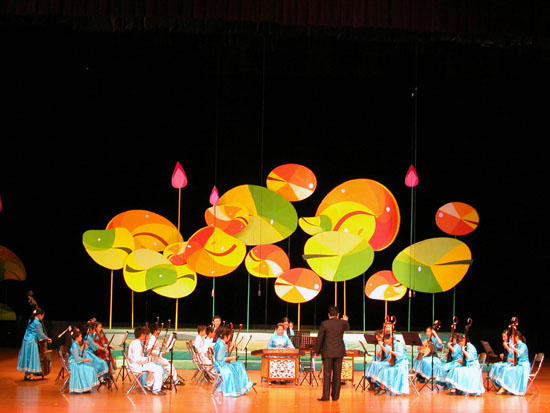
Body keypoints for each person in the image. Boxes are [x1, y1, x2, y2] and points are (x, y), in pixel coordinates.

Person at [315, 305, 350, 402]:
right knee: (337, 375)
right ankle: (335, 396)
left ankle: (326, 396)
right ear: (338, 315)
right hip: (339, 352)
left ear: (328, 315)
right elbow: (348, 327)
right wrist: (345, 321)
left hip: (328, 352)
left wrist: (317, 351)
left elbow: (320, 338)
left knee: (327, 374)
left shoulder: (324, 324)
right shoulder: (342, 323)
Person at [212, 326, 254, 397]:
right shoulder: (221, 345)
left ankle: (243, 385)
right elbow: (220, 359)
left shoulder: (219, 342)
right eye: (229, 336)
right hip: (221, 365)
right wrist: (232, 358)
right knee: (239, 366)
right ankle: (242, 386)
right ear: (225, 336)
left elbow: (223, 353)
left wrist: (231, 347)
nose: (229, 337)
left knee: (240, 364)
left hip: (221, 364)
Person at [127, 326, 166, 396]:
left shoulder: (135, 342)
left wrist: (147, 360)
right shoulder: (137, 344)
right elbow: (138, 359)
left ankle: (149, 384)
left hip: (136, 365)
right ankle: (156, 390)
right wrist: (148, 359)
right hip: (136, 366)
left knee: (153, 365)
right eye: (145, 334)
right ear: (142, 335)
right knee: (158, 368)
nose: (147, 336)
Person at [16, 308, 52, 380]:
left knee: (27, 357)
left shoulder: (30, 320)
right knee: (31, 357)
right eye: (43, 316)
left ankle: (27, 375)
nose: (42, 318)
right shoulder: (37, 323)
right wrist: (47, 339)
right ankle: (28, 376)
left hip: (25, 341)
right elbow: (40, 335)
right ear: (40, 315)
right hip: (32, 342)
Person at [492, 331, 530, 395]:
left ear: (516, 337)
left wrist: (512, 347)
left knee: (507, 369)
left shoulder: (523, 345)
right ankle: (505, 387)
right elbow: (513, 353)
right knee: (505, 369)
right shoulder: (517, 345)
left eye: (512, 337)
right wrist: (510, 349)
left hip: (523, 366)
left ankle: (506, 387)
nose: (511, 339)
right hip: (519, 365)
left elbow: (520, 353)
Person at [67, 328, 100, 393]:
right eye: (80, 337)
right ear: (77, 338)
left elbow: (79, 351)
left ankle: (86, 386)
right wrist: (85, 360)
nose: (81, 338)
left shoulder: (76, 344)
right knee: (89, 369)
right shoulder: (75, 346)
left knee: (90, 366)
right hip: (74, 364)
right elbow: (77, 358)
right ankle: (84, 386)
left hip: (76, 362)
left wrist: (83, 345)